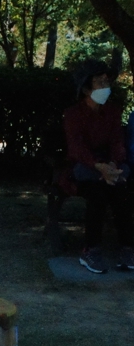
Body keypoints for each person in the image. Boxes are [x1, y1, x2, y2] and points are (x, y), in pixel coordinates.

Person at [64, 59, 134, 274]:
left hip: (109, 166)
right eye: (99, 82)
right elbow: (76, 148)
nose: (105, 86)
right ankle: (90, 250)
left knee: (122, 190)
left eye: (107, 81)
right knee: (97, 194)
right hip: (84, 167)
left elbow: (117, 141)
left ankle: (127, 248)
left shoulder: (112, 111)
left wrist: (113, 163)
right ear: (87, 88)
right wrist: (98, 166)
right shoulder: (73, 114)